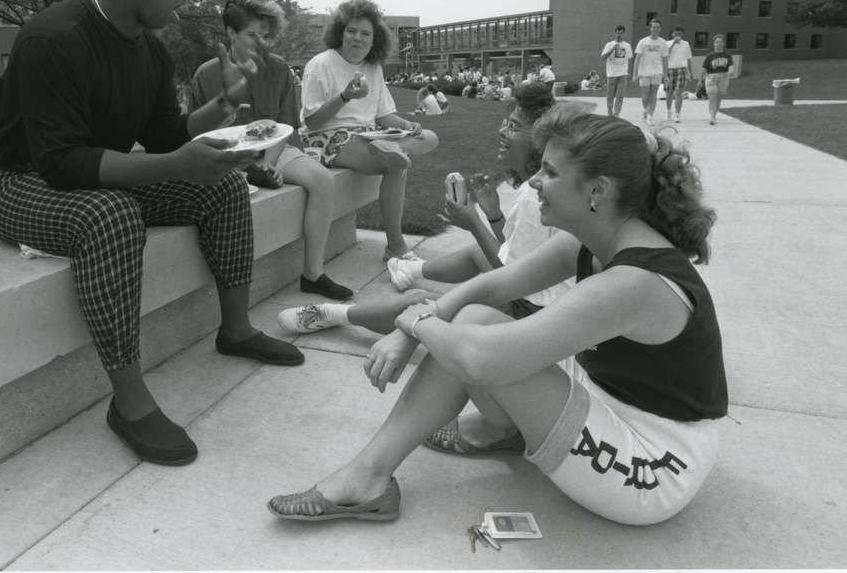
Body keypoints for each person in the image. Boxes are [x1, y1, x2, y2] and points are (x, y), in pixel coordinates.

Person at [267, 109, 726, 527]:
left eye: (549, 172)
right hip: (613, 399)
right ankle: (396, 467)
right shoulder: (598, 239)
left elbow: (482, 361)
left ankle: (370, 477)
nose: (532, 183)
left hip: (653, 461)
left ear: (598, 190)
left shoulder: (635, 282)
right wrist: (430, 316)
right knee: (475, 316)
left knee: (473, 339)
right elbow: (493, 285)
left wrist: (413, 323)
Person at [0, 0, 305, 467]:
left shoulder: (149, 50)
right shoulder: (51, 37)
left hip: (80, 173)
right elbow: (60, 164)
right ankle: (128, 403)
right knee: (112, 215)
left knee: (220, 185)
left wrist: (227, 104)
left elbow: (165, 137)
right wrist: (177, 162)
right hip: (13, 183)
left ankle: (237, 330)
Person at [277, 81, 574, 335]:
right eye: (505, 122)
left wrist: (474, 224)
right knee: (474, 254)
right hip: (541, 300)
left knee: (418, 302)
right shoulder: (535, 189)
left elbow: (513, 279)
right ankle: (409, 270)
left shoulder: (532, 198)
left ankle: (333, 315)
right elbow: (519, 254)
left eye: (513, 127)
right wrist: (494, 214)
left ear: (538, 142)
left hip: (531, 317)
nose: (501, 130)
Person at [190, 0, 352, 301]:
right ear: (231, 33)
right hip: (227, 154)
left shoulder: (279, 69)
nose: (261, 43)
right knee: (230, 184)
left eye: (265, 36)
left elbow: (285, 125)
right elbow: (199, 133)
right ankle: (250, 176)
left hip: (276, 150)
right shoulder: (206, 74)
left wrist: (268, 162)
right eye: (252, 35)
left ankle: (313, 274)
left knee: (323, 180)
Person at [299, 0, 439, 262]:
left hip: (367, 135)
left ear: (374, 40)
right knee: (396, 165)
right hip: (326, 137)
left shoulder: (373, 68)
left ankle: (389, 149)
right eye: (351, 31)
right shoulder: (321, 63)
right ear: (340, 32)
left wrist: (408, 126)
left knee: (428, 136)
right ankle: (396, 246)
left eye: (365, 33)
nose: (357, 38)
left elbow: (385, 116)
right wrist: (344, 97)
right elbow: (312, 122)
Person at [632, 18, 670, 125]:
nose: (655, 29)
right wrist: (635, 74)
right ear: (650, 28)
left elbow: (665, 60)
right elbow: (637, 59)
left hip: (657, 72)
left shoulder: (663, 43)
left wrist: (666, 75)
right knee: (645, 96)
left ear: (660, 29)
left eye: (657, 27)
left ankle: (650, 116)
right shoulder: (643, 42)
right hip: (644, 72)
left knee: (653, 95)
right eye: (653, 27)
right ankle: (645, 109)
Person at [701, 34, 735, 125]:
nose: (718, 43)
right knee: (712, 97)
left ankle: (714, 116)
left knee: (719, 98)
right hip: (711, 78)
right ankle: (712, 117)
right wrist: (700, 80)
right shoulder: (710, 56)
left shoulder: (727, 56)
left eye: (720, 42)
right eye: (716, 42)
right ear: (714, 44)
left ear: (723, 44)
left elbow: (731, 67)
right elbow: (704, 69)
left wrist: (730, 72)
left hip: (723, 77)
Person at [600, 25, 632, 117]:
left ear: (623, 33)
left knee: (620, 96)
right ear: (615, 33)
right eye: (618, 32)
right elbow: (603, 57)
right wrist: (612, 48)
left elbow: (628, 59)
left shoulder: (627, 45)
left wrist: (627, 72)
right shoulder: (609, 44)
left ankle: (616, 114)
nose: (619, 34)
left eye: (621, 32)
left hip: (623, 74)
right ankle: (610, 113)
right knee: (610, 96)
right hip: (611, 74)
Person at [664, 26, 693, 123]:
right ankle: (669, 111)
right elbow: (665, 55)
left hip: (682, 69)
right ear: (672, 34)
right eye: (676, 34)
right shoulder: (667, 43)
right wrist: (673, 43)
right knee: (669, 94)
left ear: (682, 34)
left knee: (678, 93)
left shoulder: (686, 44)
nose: (678, 36)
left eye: (679, 34)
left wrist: (690, 72)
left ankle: (677, 114)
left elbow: (688, 58)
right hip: (670, 70)